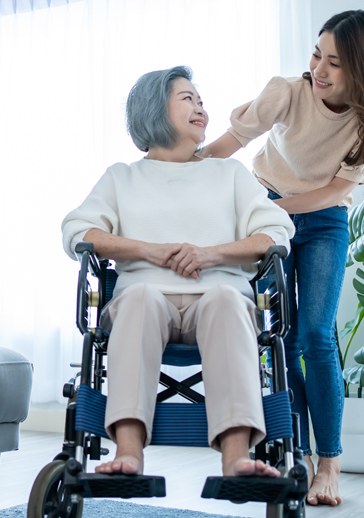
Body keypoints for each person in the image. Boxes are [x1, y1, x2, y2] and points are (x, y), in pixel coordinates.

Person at [200, 10, 364, 506]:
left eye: (335, 62)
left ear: (362, 69)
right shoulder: (287, 92)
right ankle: (300, 454)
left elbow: (330, 194)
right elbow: (230, 143)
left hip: (321, 222)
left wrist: (266, 212)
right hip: (268, 211)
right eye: (317, 54)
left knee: (315, 334)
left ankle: (330, 464)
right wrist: (179, 170)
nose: (319, 68)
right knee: (280, 338)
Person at [61, 66, 295, 479]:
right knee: (139, 298)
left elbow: (276, 232)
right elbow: (77, 231)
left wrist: (212, 255)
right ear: (154, 109)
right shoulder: (123, 177)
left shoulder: (230, 174)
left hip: (220, 294)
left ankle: (237, 457)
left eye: (201, 100)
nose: (200, 107)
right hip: (145, 298)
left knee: (226, 300)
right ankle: (129, 452)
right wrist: (145, 250)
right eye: (187, 98)